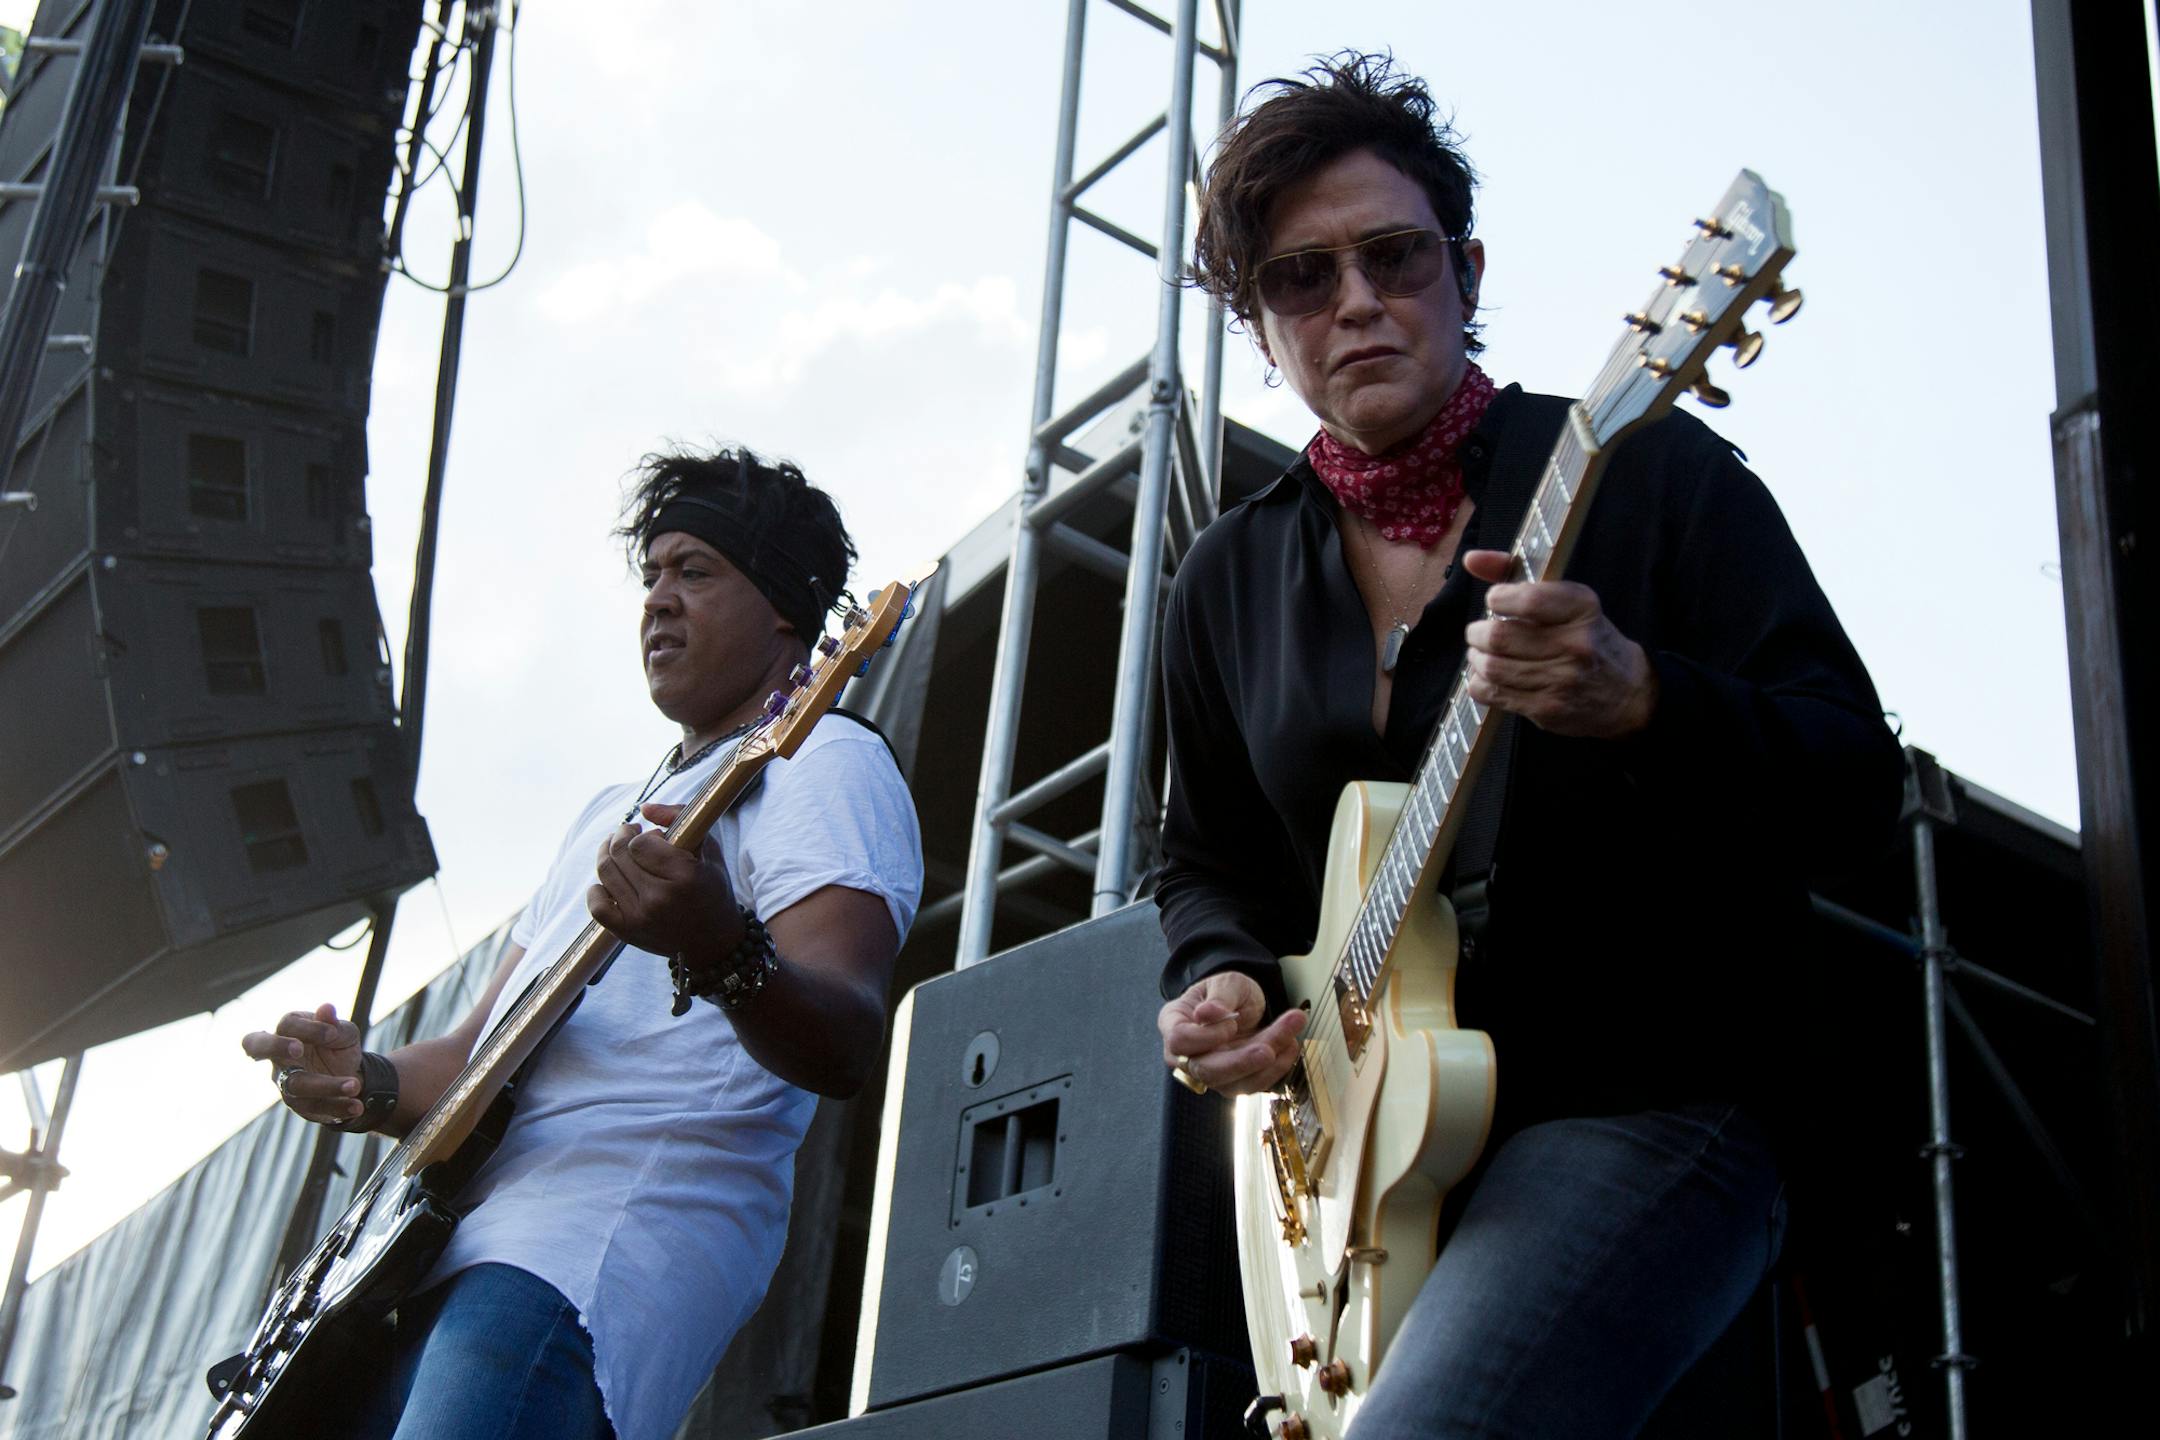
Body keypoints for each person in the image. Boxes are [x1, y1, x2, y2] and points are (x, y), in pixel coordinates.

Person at [1152, 53, 1904, 1438]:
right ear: (1259, 328)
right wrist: (1220, 982)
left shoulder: (1647, 475)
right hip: (1366, 1166)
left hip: (1651, 1101)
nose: (1358, 300)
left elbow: (1858, 780)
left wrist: (1647, 701)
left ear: (1469, 268)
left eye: (1394, 255)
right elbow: (1203, 862)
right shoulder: (1225, 580)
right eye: (1301, 279)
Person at [241, 447, 923, 1440]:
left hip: (595, 1249)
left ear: (786, 607)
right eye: (650, 576)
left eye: (694, 571)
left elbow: (845, 1039)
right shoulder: (609, 814)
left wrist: (720, 944)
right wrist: (362, 1079)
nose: (658, 601)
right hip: (435, 1256)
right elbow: (473, 1063)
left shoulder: (825, 761)